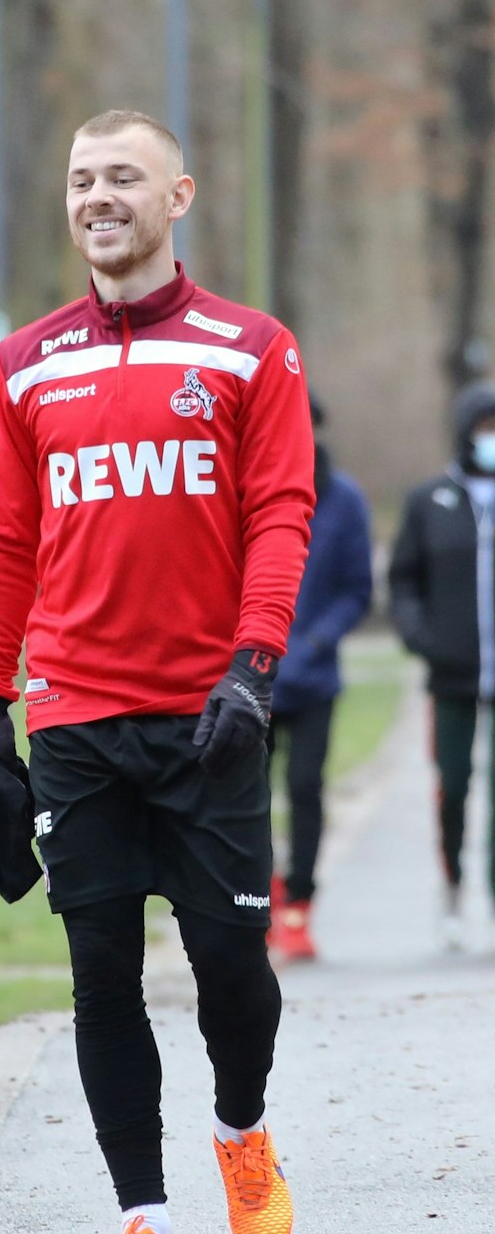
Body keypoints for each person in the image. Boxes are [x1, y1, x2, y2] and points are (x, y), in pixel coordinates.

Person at [0, 109, 315, 1234]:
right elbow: (6, 540)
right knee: (100, 974)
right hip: (72, 719)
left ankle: (241, 1128)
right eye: (78, 179)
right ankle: (143, 1228)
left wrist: (251, 669)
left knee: (230, 968)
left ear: (180, 197)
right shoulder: (22, 362)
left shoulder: (249, 350)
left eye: (122, 177)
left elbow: (279, 513)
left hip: (208, 714)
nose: (96, 196)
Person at [388, 379, 495, 951]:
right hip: (452, 675)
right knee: (453, 785)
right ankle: (452, 887)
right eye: (485, 428)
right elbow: (404, 579)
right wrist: (421, 636)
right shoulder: (431, 501)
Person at [267, 395, 372, 960]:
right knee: (244, 797)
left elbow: (357, 590)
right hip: (250, 677)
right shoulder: (244, 487)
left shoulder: (344, 500)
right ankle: (257, 900)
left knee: (306, 789)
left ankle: (299, 906)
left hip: (313, 680)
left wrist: (312, 642)